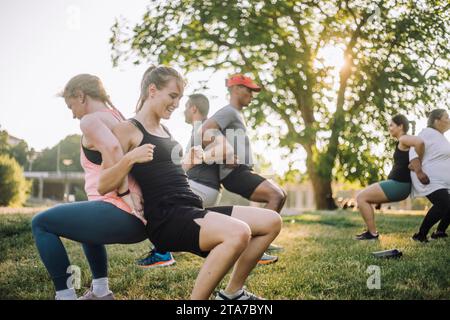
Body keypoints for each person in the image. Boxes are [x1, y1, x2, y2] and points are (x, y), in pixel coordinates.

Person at [98, 66, 282, 300]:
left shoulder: (164, 129)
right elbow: (103, 183)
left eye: (180, 98)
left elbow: (166, 173)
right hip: (167, 217)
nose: (176, 104)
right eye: (173, 96)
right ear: (152, 90)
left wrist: (191, 162)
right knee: (239, 233)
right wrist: (130, 158)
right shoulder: (128, 129)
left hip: (190, 207)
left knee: (271, 221)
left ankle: (233, 293)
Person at [31, 74, 152, 300]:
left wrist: (126, 196)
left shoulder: (90, 120)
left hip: (123, 211)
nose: (73, 114)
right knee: (84, 219)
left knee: (41, 223)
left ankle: (65, 296)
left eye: (71, 106)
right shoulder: (117, 117)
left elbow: (115, 151)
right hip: (133, 216)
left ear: (81, 96)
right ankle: (100, 291)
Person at [199, 74, 287, 258]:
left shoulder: (237, 114)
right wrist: (227, 153)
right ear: (236, 88)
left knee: (280, 195)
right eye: (248, 89)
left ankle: (260, 243)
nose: (251, 94)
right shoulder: (229, 111)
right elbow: (206, 130)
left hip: (242, 171)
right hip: (234, 173)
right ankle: (255, 246)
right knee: (276, 195)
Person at [355, 114, 425, 240]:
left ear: (400, 126)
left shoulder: (404, 138)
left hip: (399, 185)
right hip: (398, 184)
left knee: (361, 197)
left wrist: (418, 163)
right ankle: (371, 232)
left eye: (391, 125)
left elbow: (419, 142)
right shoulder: (402, 141)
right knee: (363, 198)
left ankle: (372, 233)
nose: (389, 128)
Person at [409, 109, 450, 242]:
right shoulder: (427, 133)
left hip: (442, 181)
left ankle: (440, 231)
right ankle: (420, 235)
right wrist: (419, 172)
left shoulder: (441, 137)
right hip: (428, 178)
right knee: (443, 203)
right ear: (436, 121)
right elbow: (413, 151)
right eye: (446, 117)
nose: (449, 120)